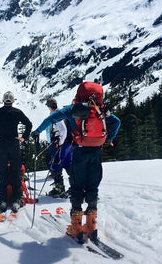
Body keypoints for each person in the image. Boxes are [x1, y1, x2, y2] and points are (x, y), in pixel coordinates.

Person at [31, 82, 120, 242]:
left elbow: (51, 119)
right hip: (96, 153)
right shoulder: (101, 111)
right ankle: (91, 227)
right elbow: (116, 122)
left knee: (77, 187)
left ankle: (76, 227)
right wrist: (108, 139)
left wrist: (37, 131)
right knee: (93, 187)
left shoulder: (73, 110)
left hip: (78, 152)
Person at [0, 91, 33, 214]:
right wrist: (23, 137)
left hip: (1, 145)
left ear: (3, 101)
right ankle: (16, 201)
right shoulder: (17, 113)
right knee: (15, 174)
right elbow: (28, 124)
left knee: (2, 173)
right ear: (13, 101)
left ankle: (2, 201)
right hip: (14, 145)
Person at [43, 98, 73, 198]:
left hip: (62, 144)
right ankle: (76, 188)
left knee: (55, 163)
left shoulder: (56, 116)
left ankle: (59, 189)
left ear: (48, 106)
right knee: (69, 164)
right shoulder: (63, 113)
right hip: (69, 143)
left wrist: (60, 142)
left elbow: (63, 130)